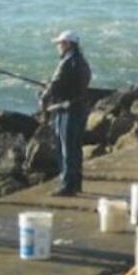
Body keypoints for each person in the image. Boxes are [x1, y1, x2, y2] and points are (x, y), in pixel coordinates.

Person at [40, 30, 92, 196]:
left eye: (60, 44)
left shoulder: (67, 62)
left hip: (67, 111)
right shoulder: (82, 62)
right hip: (79, 108)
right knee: (75, 148)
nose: (58, 47)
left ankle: (67, 185)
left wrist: (44, 95)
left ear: (68, 44)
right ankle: (75, 183)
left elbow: (55, 85)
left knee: (66, 148)